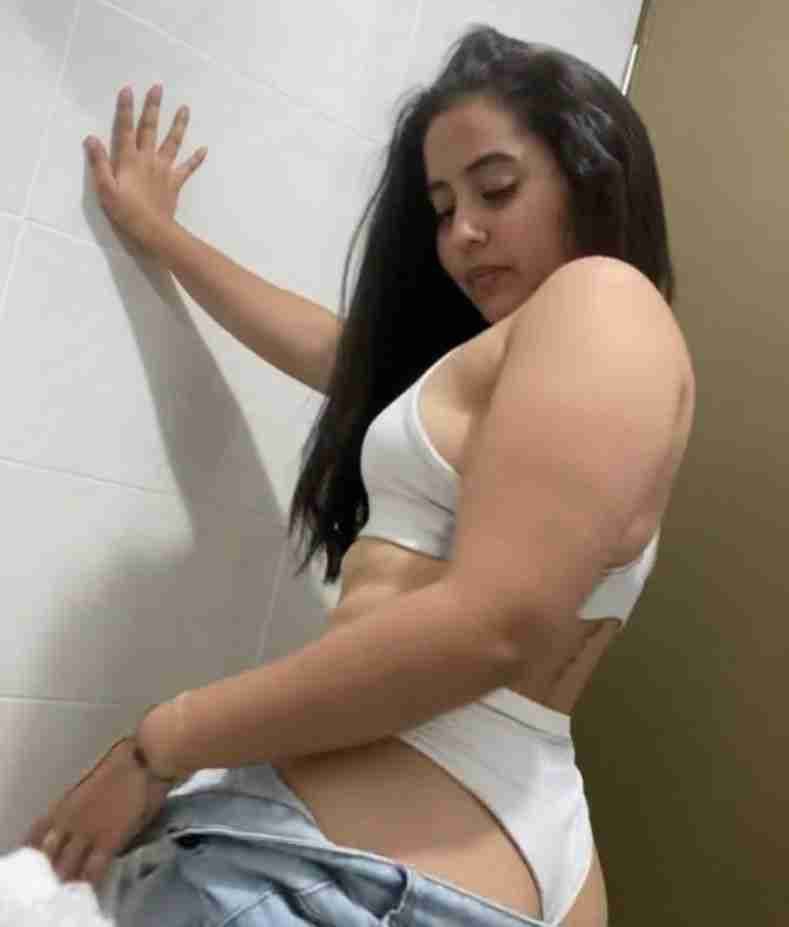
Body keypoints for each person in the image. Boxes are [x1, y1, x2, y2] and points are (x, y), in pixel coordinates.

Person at [23, 25, 695, 927]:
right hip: (457, 838)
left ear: (590, 173)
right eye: (442, 206)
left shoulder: (603, 300)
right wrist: (160, 234)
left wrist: (158, 745)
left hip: (361, 869)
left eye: (496, 188)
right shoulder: (510, 370)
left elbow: (493, 627)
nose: (462, 232)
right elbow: (330, 348)